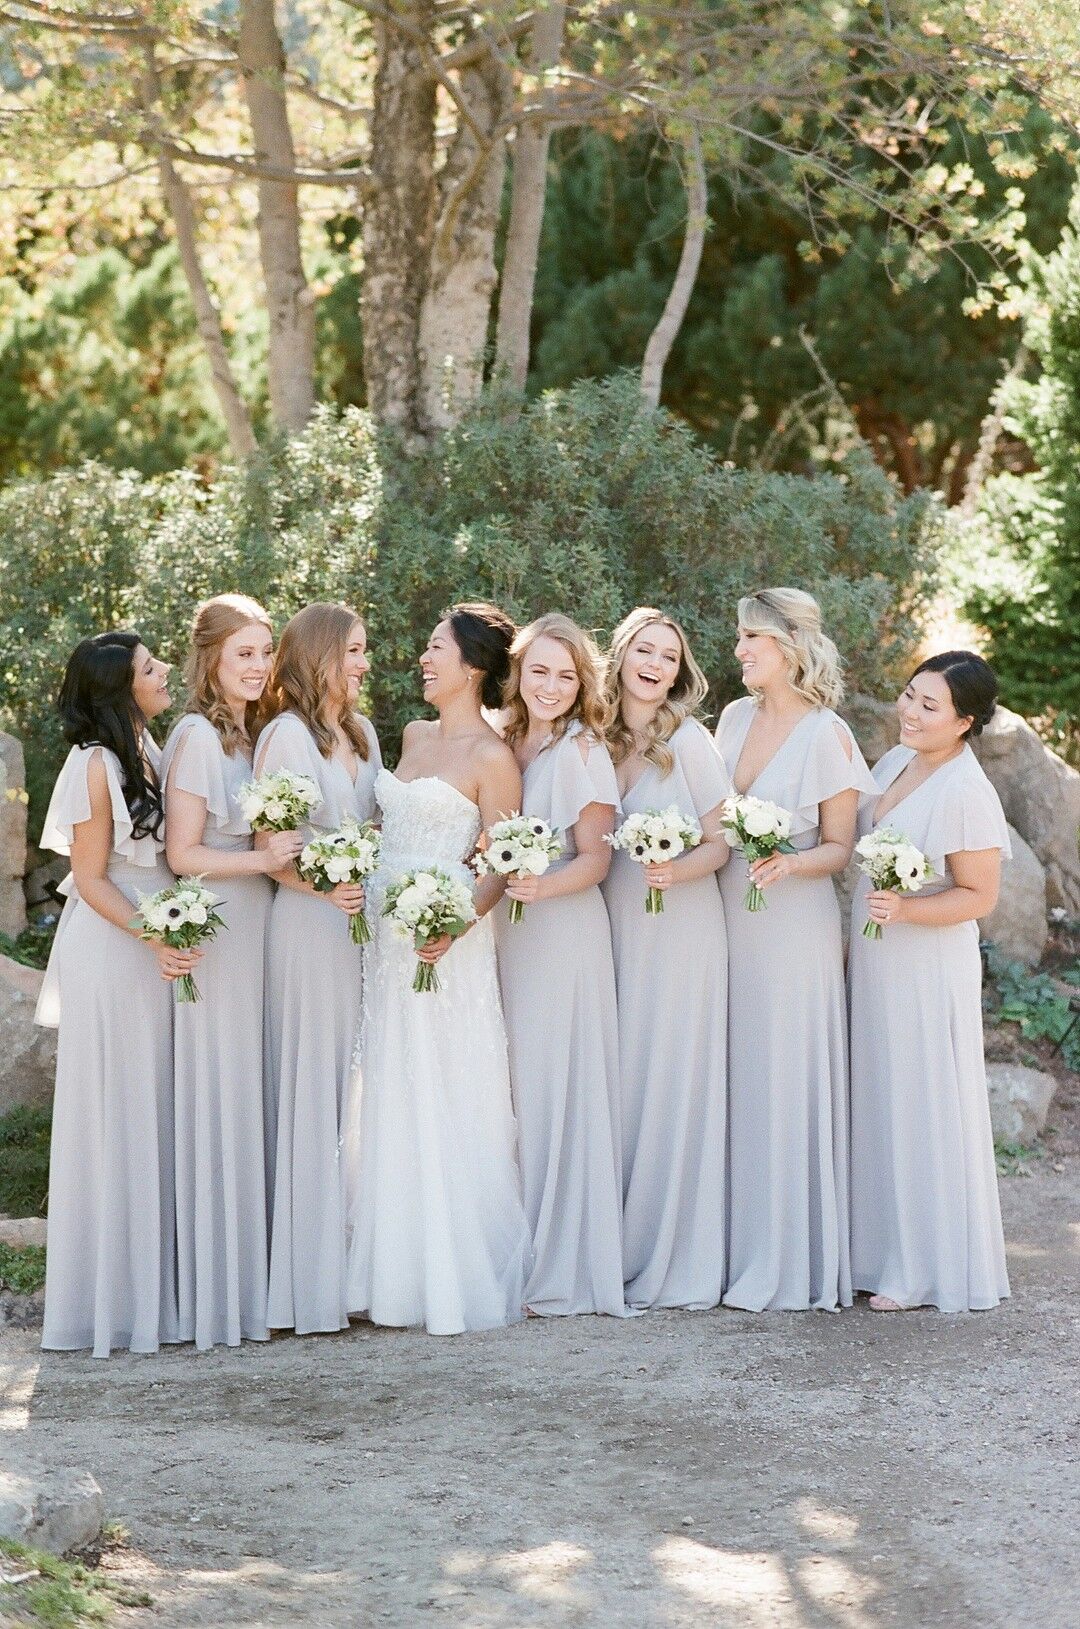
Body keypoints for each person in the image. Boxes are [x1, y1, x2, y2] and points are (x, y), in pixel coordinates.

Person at [344, 603, 532, 1334]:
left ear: (473, 668)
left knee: (444, 1082)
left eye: (435, 648)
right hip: (385, 940)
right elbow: (393, 824)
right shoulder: (413, 735)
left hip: (443, 942)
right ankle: (386, 1267)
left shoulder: (493, 757)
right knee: (389, 1080)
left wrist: (455, 922)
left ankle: (449, 1271)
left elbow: (498, 862)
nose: (422, 658)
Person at [715, 588, 876, 1312]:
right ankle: (731, 1247)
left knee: (783, 1074)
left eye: (754, 638)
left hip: (794, 922)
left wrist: (790, 862)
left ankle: (788, 1256)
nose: (742, 649)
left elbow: (840, 847)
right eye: (741, 637)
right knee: (737, 1073)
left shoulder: (827, 734)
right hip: (729, 918)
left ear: (790, 646)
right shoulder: (732, 717)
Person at [37, 631, 190, 1356]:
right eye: (150, 669)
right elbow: (93, 878)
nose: (164, 674)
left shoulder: (151, 748)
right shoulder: (94, 764)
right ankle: (108, 1303)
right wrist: (155, 934)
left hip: (154, 934)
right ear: (119, 689)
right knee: (117, 1111)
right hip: (116, 940)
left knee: (153, 1106)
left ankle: (156, 1290)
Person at [849, 651, 1011, 1312]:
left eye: (929, 706)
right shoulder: (894, 762)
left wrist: (909, 908)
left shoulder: (967, 791)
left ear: (965, 721)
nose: (910, 713)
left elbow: (980, 895)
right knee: (880, 1094)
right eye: (909, 695)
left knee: (919, 1100)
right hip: (877, 957)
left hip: (926, 964)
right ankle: (878, 1249)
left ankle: (919, 1266)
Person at [162, 594, 301, 1350]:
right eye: (243, 653)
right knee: (219, 1090)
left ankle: (253, 1283)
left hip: (257, 928)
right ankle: (216, 1294)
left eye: (264, 650)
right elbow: (184, 852)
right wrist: (263, 857)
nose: (257, 665)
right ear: (210, 658)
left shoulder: (253, 735)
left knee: (250, 1089)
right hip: (219, 922)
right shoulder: (193, 737)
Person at [255, 603, 381, 1335]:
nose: (364, 663)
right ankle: (305, 1282)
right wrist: (325, 884)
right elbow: (277, 845)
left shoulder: (359, 734)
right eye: (354, 651)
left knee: (353, 1086)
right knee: (314, 1081)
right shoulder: (285, 737)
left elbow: (371, 824)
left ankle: (350, 1262)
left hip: (356, 924)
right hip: (308, 923)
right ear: (320, 656)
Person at [495, 614, 626, 1317]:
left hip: (564, 929)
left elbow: (597, 857)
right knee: (511, 1083)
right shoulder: (500, 736)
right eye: (539, 670)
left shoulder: (584, 751)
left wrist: (541, 886)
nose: (550, 686)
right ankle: (512, 1244)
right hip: (507, 932)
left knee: (555, 1083)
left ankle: (564, 1259)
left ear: (583, 684)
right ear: (518, 670)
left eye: (565, 675)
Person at [603, 607, 731, 1310]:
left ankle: (672, 1253)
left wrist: (674, 871)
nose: (656, 664)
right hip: (612, 921)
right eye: (645, 650)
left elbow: (721, 842)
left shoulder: (692, 742)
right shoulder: (592, 733)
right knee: (620, 1074)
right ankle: (610, 1239)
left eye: (670, 657)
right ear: (621, 654)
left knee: (668, 1075)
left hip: (679, 926)